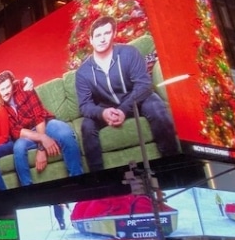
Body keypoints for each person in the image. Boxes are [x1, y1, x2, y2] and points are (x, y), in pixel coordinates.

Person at [74, 15, 179, 172]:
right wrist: (102, 113)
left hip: (136, 99)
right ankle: (99, 178)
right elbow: (85, 105)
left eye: (106, 33)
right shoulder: (83, 72)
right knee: (87, 126)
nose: (102, 39)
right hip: (106, 107)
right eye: (98, 35)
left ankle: (174, 165)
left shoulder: (129, 53)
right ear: (91, 40)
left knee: (156, 107)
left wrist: (124, 109)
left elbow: (144, 85)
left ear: (114, 34)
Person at [0, 70, 84, 185]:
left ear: (12, 84)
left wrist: (41, 148)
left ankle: (78, 182)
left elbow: (38, 116)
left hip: (45, 123)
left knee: (66, 134)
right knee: (18, 147)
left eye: (8, 87)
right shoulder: (0, 106)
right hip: (27, 135)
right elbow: (16, 131)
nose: (6, 92)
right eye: (2, 89)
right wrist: (43, 138)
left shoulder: (24, 87)